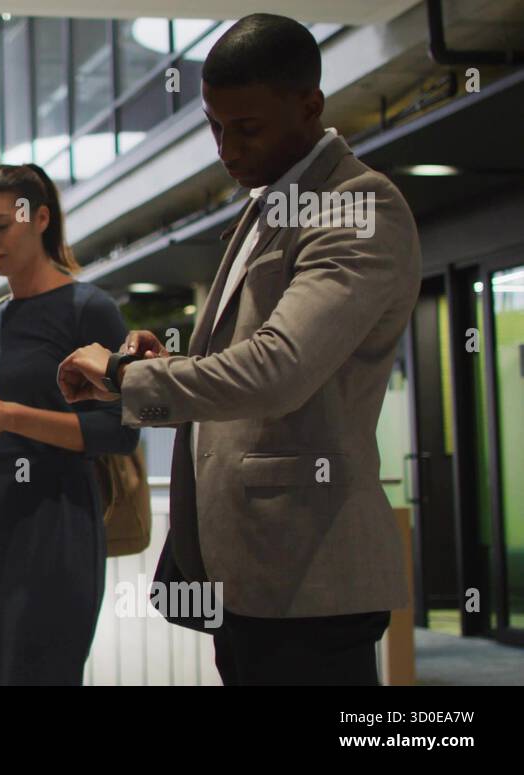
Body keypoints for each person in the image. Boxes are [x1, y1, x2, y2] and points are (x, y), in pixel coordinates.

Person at [56, 14, 420, 685]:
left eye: (245, 127)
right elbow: (251, 358)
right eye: (214, 126)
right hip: (249, 571)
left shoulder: (355, 205)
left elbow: (280, 368)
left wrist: (126, 375)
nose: (225, 147)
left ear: (309, 105)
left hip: (307, 569)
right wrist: (161, 362)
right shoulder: (266, 204)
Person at [0, 162, 139, 685]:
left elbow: (119, 429)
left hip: (56, 517)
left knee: (40, 670)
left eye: (0, 227)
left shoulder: (87, 308)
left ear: (40, 217)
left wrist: (9, 416)